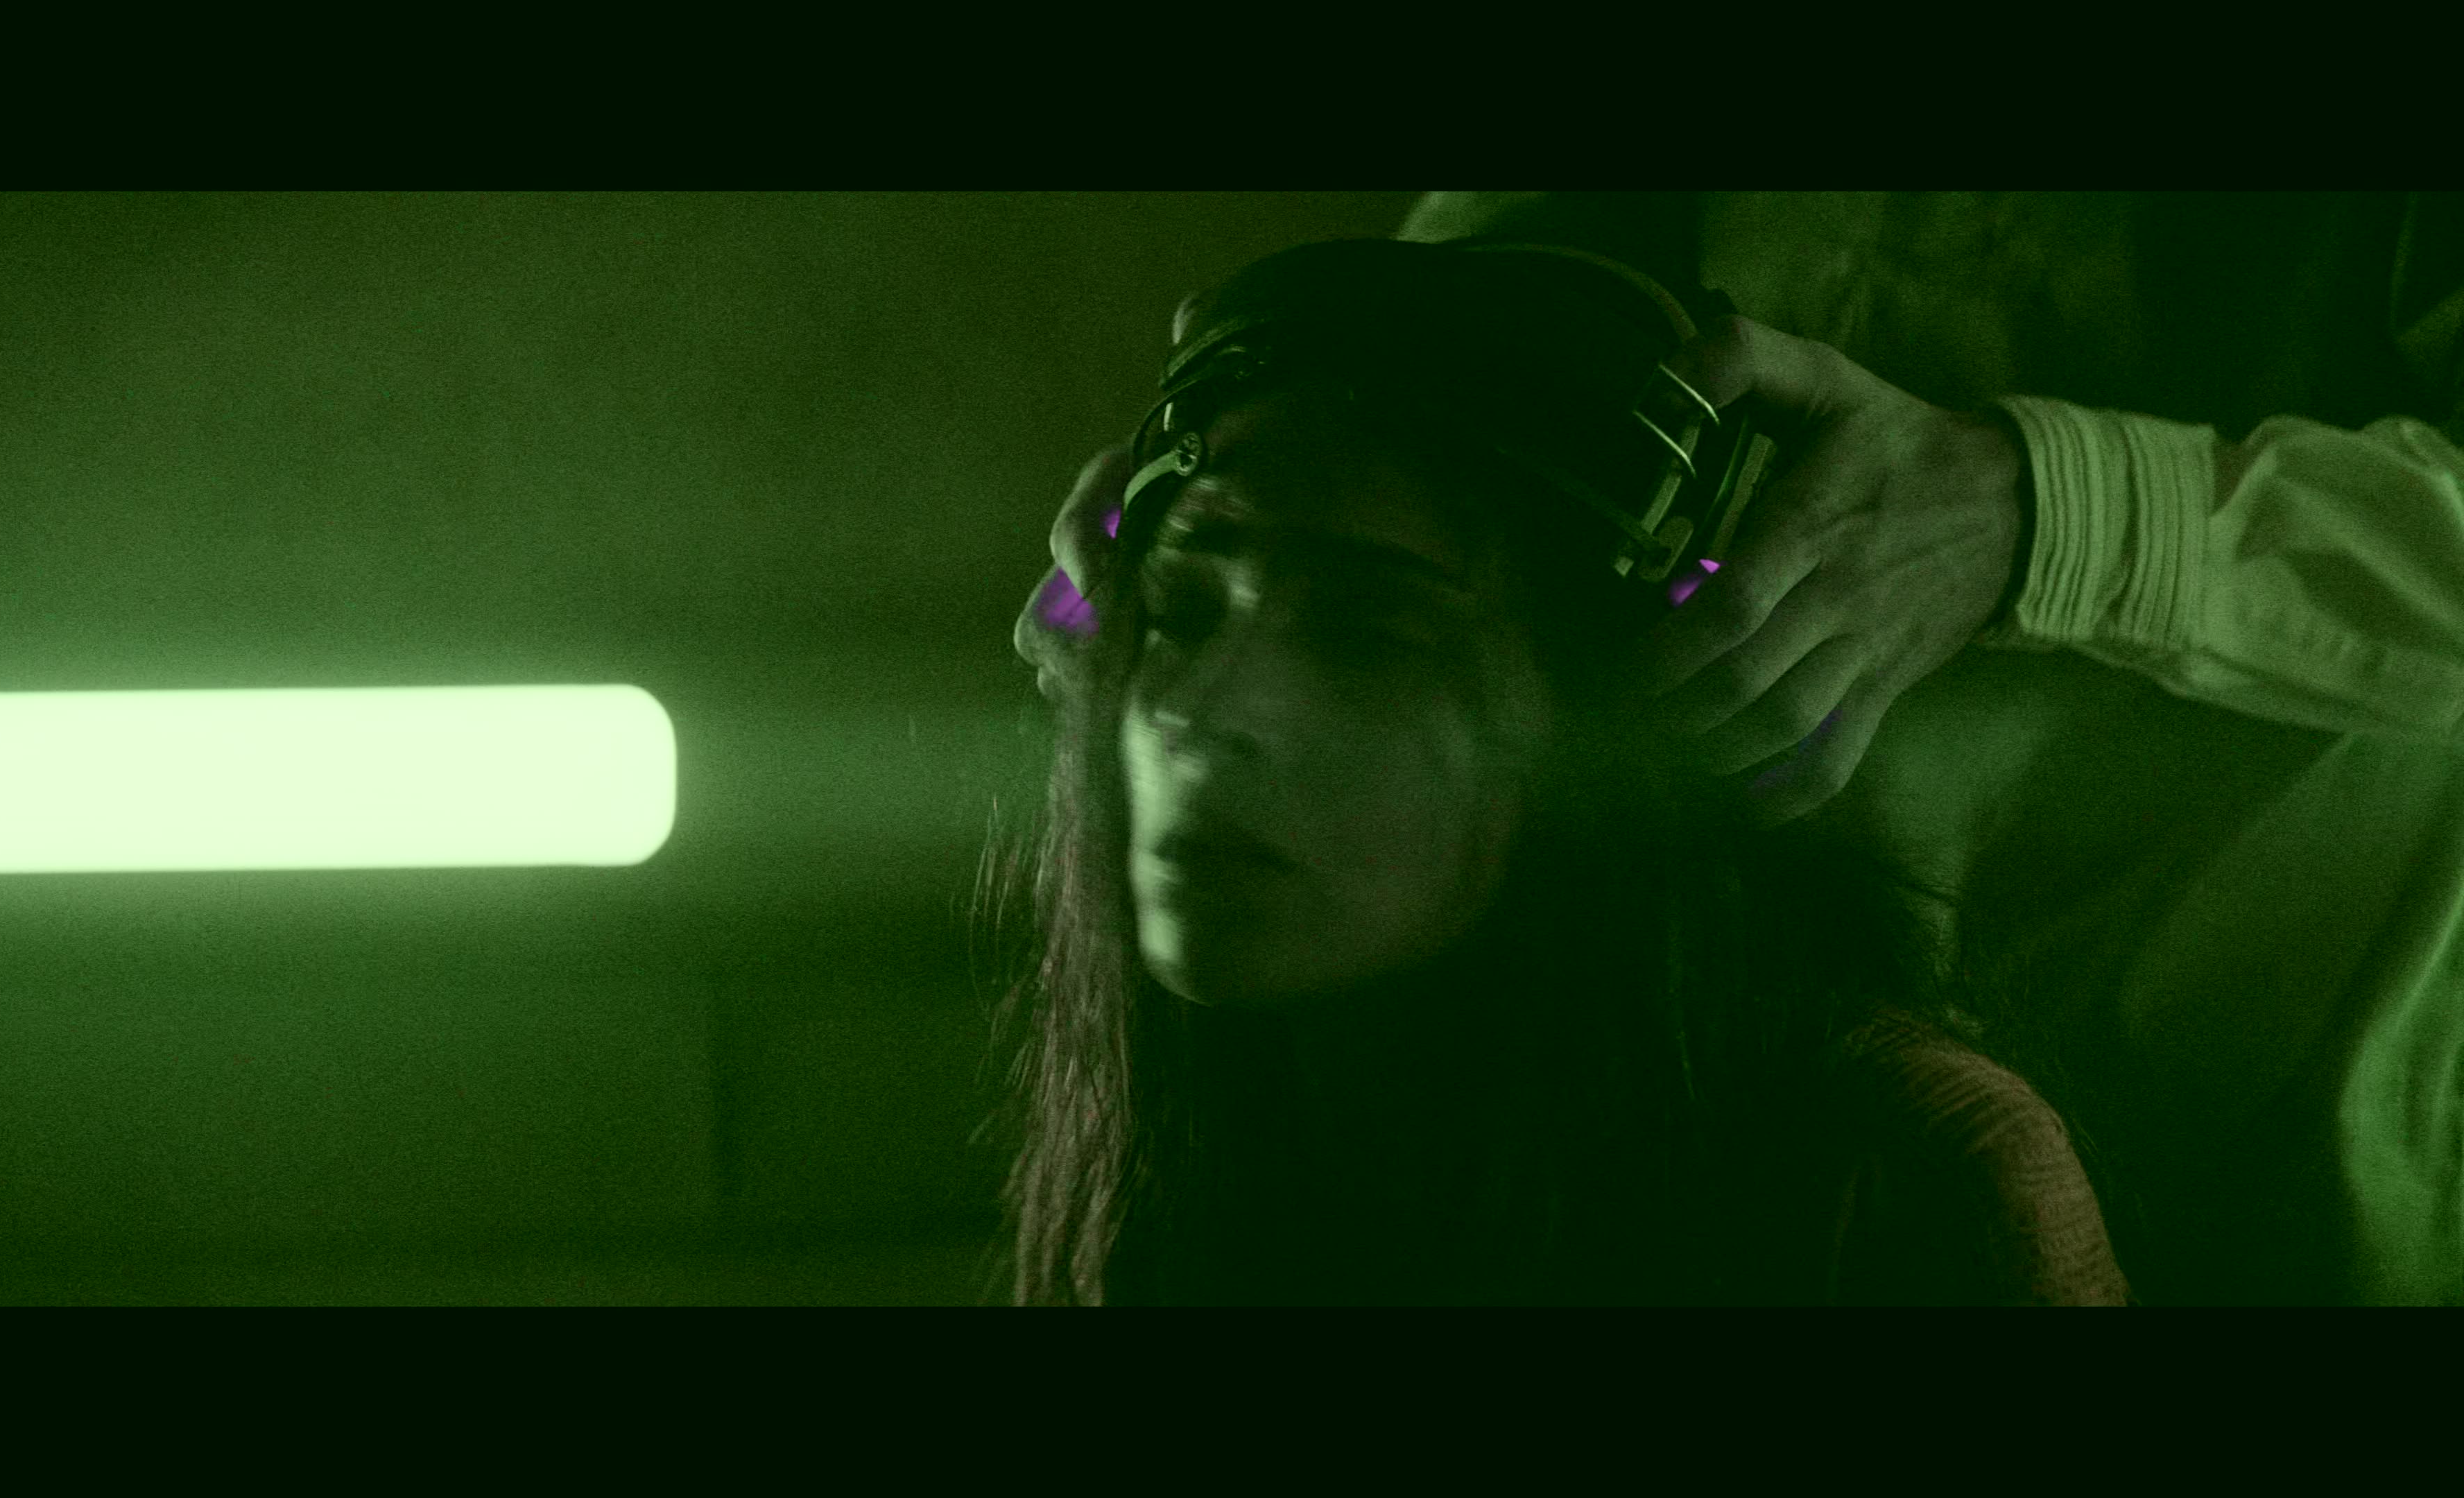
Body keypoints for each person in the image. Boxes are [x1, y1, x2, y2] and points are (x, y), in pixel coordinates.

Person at [1010, 193, 2464, 1305]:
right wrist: (1245, 445)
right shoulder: (1240, 1102)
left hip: (2266, 1114)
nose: (1201, 710)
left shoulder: (1932, 1164)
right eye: (1186, 619)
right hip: (1642, 1026)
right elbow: (1486, 316)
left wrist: (2046, 511)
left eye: (1364, 636)